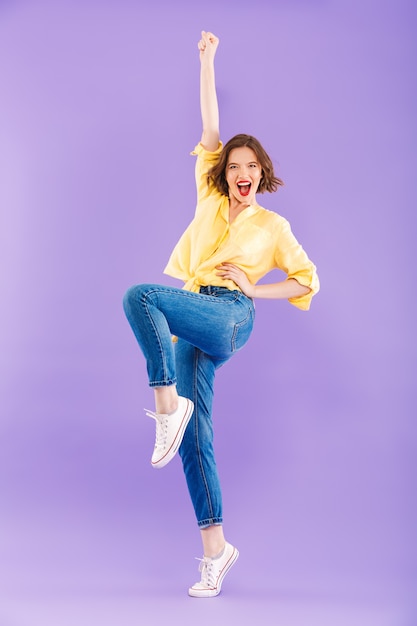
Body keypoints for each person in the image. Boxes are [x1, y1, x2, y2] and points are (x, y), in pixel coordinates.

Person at [123, 30, 319, 598]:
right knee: (196, 435)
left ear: (261, 173)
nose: (241, 172)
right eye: (234, 164)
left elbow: (308, 280)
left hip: (231, 316)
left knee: (141, 297)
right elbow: (210, 125)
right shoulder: (210, 199)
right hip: (196, 309)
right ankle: (216, 550)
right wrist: (207, 61)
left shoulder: (272, 227)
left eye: (250, 166)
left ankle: (164, 408)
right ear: (224, 171)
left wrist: (255, 292)